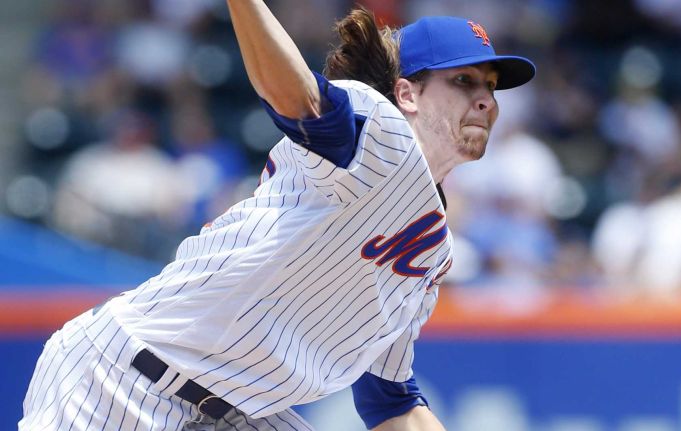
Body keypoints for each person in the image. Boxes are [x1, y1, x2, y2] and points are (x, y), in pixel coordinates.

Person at [20, 2, 535, 430]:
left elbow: (390, 400)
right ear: (407, 94)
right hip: (120, 381)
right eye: (464, 81)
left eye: (491, 87)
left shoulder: (432, 253)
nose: (486, 100)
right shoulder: (381, 133)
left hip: (234, 414)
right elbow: (295, 97)